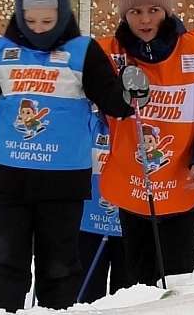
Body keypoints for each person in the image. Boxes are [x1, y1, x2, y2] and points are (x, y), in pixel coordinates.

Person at [0, 0, 148, 313]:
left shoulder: (82, 52)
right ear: (20, 14)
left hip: (63, 185)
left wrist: (132, 93)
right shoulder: (3, 52)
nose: (38, 30)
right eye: (30, 21)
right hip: (11, 182)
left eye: (47, 21)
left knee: (59, 269)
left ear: (62, 15)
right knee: (4, 265)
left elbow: (113, 103)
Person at [96, 0, 194, 287]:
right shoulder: (111, 56)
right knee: (138, 280)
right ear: (125, 15)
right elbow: (97, 111)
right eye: (136, 11)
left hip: (182, 182)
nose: (145, 19)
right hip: (134, 185)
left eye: (153, 9)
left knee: (179, 277)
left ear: (166, 10)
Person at [76, 108, 132, 303]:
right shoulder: (90, 121)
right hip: (88, 224)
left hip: (130, 225)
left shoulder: (138, 127)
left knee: (128, 299)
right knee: (87, 297)